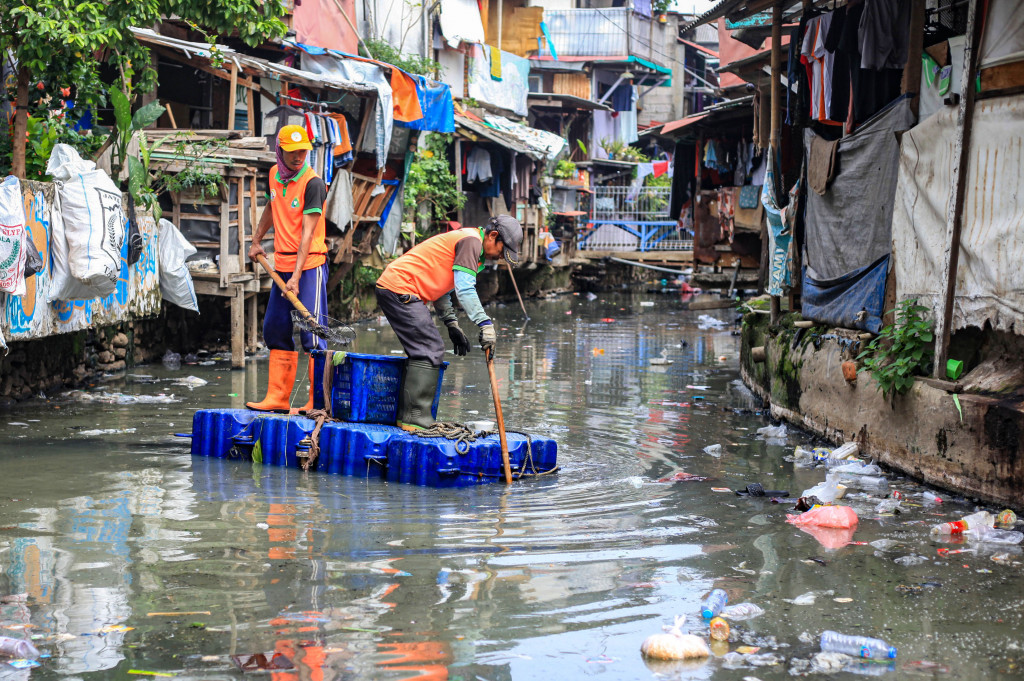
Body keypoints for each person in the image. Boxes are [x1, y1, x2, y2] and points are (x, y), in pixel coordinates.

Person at [375, 216, 523, 431]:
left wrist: (451, 323)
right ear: (492, 236)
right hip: (400, 287)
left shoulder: (471, 244)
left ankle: (408, 418)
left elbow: (443, 288)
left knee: (424, 349)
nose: (500, 257)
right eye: (502, 250)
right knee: (429, 349)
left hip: (400, 288)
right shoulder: (471, 242)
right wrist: (485, 324)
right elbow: (464, 289)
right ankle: (415, 420)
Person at [246, 124, 329, 413]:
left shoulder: (313, 183)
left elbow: (308, 233)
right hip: (281, 263)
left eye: (303, 151)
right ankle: (277, 399)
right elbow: (271, 207)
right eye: (292, 152)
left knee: (313, 334)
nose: (298, 157)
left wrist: (295, 276)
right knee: (274, 329)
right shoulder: (274, 175)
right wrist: (257, 241)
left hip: (309, 266)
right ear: (280, 151)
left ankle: (318, 402)